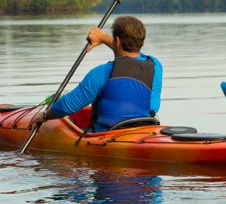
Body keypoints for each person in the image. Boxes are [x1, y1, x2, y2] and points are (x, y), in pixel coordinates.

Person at [31, 15, 163, 133]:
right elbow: (133, 56)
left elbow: (67, 106)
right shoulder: (155, 66)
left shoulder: (101, 73)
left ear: (117, 41)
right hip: (145, 131)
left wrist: (44, 116)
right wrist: (103, 38)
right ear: (142, 41)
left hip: (107, 136)